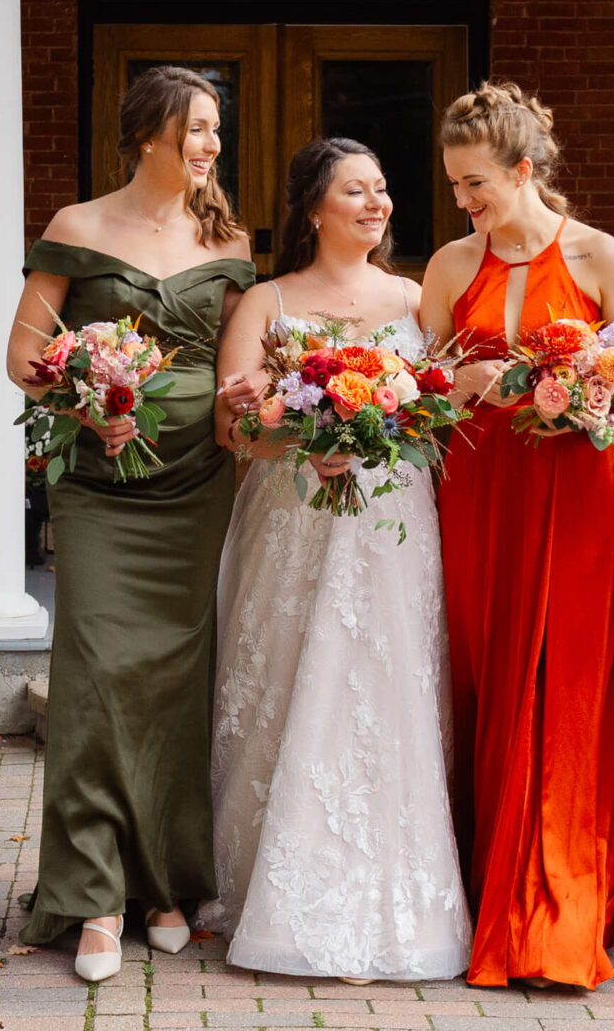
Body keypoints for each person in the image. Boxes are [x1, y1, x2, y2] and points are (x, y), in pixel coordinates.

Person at [7, 65, 256, 982]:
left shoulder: (224, 236)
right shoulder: (78, 227)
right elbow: (24, 353)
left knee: (175, 681)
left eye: (215, 131)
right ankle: (95, 892)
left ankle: (165, 883)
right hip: (102, 485)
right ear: (150, 133)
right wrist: (84, 404)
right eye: (196, 129)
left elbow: (237, 374)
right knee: (98, 675)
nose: (210, 146)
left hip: (197, 481)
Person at [201, 138, 471, 982]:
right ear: (314, 208)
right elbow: (231, 426)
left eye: (382, 190)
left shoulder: (415, 298)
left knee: (387, 688)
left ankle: (392, 897)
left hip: (391, 524)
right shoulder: (267, 301)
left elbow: (435, 412)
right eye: (355, 191)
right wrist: (294, 437)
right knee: (284, 685)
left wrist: (389, 431)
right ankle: (273, 889)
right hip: (293, 519)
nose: (376, 204)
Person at [417, 82, 614, 990]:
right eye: (454, 185)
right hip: (481, 490)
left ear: (523, 170)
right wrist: (460, 385)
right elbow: (420, 392)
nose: (464, 201)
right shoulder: (446, 265)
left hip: (582, 490)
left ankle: (561, 916)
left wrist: (594, 394)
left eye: (475, 183)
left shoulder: (601, 257)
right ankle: (491, 897)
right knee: (489, 675)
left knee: (569, 685)